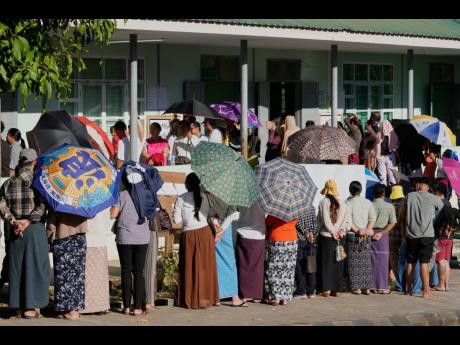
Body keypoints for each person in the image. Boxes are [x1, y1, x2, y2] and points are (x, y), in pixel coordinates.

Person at [0, 149, 50, 319]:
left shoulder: (7, 183)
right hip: (34, 228)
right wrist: (28, 221)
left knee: (17, 267)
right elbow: (43, 206)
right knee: (36, 267)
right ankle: (31, 307)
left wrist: (13, 220)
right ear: (34, 162)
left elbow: (2, 205)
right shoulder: (38, 182)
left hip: (15, 230)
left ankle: (18, 306)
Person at [173, 173, 219, 309]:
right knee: (206, 267)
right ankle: (207, 298)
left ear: (186, 184)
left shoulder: (181, 198)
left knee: (189, 267)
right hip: (205, 234)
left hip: (189, 235)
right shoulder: (205, 196)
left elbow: (176, 220)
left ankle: (190, 299)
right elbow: (211, 214)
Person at [110, 171, 151, 316]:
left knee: (126, 271)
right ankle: (138, 308)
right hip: (142, 238)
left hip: (125, 238)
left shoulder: (121, 195)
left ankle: (127, 307)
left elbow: (112, 215)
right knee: (139, 272)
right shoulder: (147, 196)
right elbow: (152, 214)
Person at [400, 177, 444, 298]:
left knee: (410, 263)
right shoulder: (433, 198)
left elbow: (401, 214)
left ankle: (408, 290)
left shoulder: (409, 196)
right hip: (427, 235)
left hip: (411, 235)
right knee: (424, 264)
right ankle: (426, 291)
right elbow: (443, 211)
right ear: (429, 187)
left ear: (418, 184)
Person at [47, 211, 87, 320]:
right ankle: (75, 309)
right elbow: (90, 215)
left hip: (62, 237)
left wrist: (49, 237)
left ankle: (66, 309)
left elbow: (51, 222)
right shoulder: (83, 197)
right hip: (80, 238)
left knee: (63, 277)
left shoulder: (58, 197)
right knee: (78, 276)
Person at [316, 180, 351, 297]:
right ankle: (337, 289)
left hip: (327, 236)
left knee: (326, 263)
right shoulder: (343, 203)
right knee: (338, 263)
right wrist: (342, 230)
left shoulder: (323, 202)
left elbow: (325, 220)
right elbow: (348, 222)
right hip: (340, 237)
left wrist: (332, 231)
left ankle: (326, 289)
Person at [211, 195, 246, 307]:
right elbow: (232, 214)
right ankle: (234, 297)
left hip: (212, 227)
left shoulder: (208, 190)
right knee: (229, 261)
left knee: (216, 262)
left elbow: (209, 213)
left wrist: (216, 227)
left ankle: (217, 297)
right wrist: (221, 231)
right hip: (224, 230)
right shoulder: (230, 192)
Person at [346, 181, 376, 295]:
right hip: (366, 235)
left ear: (350, 190)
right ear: (361, 190)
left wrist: (358, 231)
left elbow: (348, 220)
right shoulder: (367, 202)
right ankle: (366, 287)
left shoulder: (347, 203)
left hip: (353, 235)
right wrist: (366, 230)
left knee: (354, 262)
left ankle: (356, 287)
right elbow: (372, 219)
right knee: (366, 261)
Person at [80, 209, 110, 315]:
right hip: (100, 238)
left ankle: (85, 306)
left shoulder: (82, 198)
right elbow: (111, 215)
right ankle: (102, 305)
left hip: (86, 237)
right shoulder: (104, 198)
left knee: (86, 275)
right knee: (100, 275)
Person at [235, 203, 266, 303]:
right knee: (258, 267)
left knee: (243, 265)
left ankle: (244, 294)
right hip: (259, 233)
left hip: (243, 230)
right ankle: (256, 294)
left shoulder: (241, 196)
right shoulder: (264, 198)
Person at [264, 215, 297, 306]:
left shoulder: (277, 209)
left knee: (275, 268)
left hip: (278, 237)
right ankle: (285, 298)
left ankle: (276, 297)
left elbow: (268, 222)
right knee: (288, 269)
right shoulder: (295, 209)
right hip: (292, 239)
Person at [370, 184, 396, 294]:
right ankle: (383, 286)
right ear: (384, 193)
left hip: (370, 232)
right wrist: (381, 233)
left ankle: (372, 286)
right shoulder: (389, 206)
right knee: (383, 261)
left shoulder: (369, 205)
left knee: (371, 260)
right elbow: (392, 223)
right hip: (383, 234)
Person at [432, 204, 459, 292]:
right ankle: (446, 285)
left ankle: (441, 285)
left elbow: (436, 225)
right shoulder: (454, 211)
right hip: (450, 239)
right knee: (446, 261)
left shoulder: (443, 211)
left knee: (440, 261)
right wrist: (455, 229)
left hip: (441, 239)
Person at [293, 206, 318, 299]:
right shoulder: (311, 206)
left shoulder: (297, 207)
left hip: (299, 238)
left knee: (299, 266)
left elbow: (297, 222)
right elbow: (315, 222)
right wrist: (311, 232)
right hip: (310, 240)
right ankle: (311, 290)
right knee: (310, 264)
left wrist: (306, 233)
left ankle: (301, 290)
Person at [377, 120, 399, 187]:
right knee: (383, 176)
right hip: (382, 157)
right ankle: (385, 191)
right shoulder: (379, 134)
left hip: (389, 156)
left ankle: (392, 190)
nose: (384, 127)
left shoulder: (393, 134)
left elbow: (396, 146)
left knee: (391, 176)